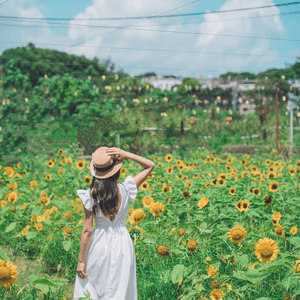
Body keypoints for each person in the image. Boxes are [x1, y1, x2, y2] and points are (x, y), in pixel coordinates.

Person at [73, 146, 155, 300]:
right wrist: (127, 155)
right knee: (120, 287)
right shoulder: (126, 189)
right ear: (116, 170)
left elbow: (87, 231)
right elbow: (150, 165)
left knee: (92, 286)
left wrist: (81, 261)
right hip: (122, 242)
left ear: (96, 172)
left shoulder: (91, 195)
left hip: (99, 243)